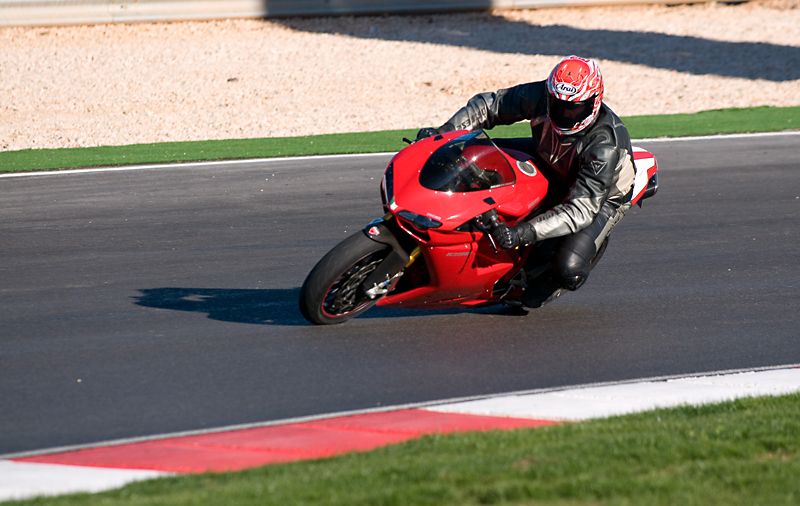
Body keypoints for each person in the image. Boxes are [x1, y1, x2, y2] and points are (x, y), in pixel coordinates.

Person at [417, 55, 636, 307]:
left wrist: (523, 233)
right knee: (467, 155)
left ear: (594, 102)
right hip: (548, 157)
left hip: (600, 196)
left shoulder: (604, 145)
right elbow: (490, 105)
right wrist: (445, 134)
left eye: (574, 107)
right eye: (558, 104)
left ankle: (541, 280)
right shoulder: (541, 95)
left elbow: (581, 210)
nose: (564, 113)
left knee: (568, 270)